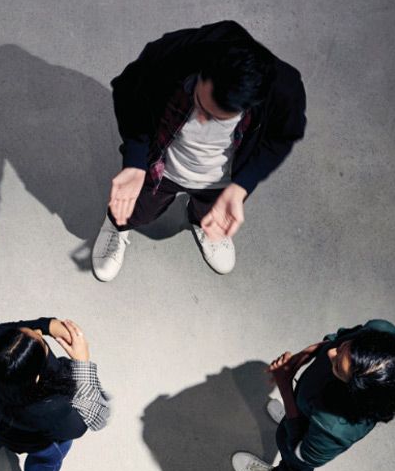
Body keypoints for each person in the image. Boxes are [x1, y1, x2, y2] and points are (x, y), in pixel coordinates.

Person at [93, 20, 308, 281]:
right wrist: (136, 161)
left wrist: (241, 186)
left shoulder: (284, 90)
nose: (202, 121)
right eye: (199, 104)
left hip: (223, 176)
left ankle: (201, 223)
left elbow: (281, 137)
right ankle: (117, 225)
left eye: (216, 117)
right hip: (162, 164)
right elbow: (130, 92)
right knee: (137, 208)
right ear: (203, 71)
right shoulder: (175, 53)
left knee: (211, 211)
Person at [232, 319, 395, 471]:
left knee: (290, 456)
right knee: (294, 416)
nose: (332, 353)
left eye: (338, 366)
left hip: (304, 437)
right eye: (345, 347)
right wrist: (303, 356)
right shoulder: (382, 332)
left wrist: (285, 386)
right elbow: (335, 341)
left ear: (353, 389)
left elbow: (301, 453)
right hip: (308, 405)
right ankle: (296, 412)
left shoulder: (334, 430)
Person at [0, 317, 112, 471]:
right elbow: (92, 421)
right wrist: (83, 364)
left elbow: (8, 335)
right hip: (27, 439)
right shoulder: (54, 406)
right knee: (50, 455)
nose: (40, 333)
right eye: (43, 343)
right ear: (36, 378)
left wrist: (47, 325)